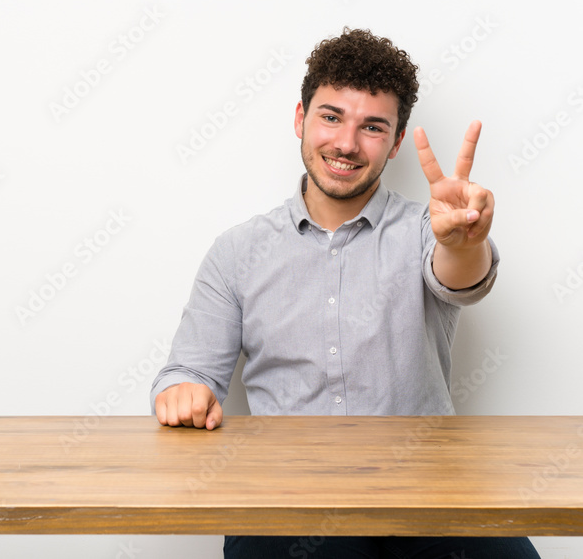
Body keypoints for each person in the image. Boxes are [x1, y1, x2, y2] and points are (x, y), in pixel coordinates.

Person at [149, 28, 541, 558]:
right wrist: (184, 394)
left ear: (397, 142)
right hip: (288, 502)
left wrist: (466, 242)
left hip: (428, 493)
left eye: (373, 127)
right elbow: (188, 373)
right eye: (331, 117)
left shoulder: (429, 228)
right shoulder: (237, 251)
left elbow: (461, 278)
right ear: (300, 120)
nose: (347, 144)